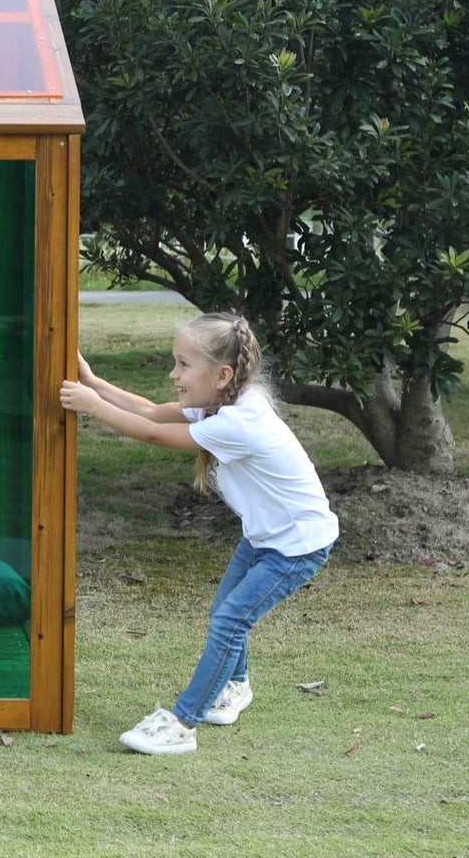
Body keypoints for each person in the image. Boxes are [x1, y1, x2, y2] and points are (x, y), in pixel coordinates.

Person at [59, 312, 336, 756]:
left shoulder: (239, 422)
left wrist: (91, 406)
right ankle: (236, 685)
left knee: (230, 620)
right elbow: (150, 410)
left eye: (183, 365)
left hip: (296, 547)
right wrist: (93, 382)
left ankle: (183, 723)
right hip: (266, 536)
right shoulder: (225, 402)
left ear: (221, 374)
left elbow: (152, 432)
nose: (173, 373)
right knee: (224, 612)